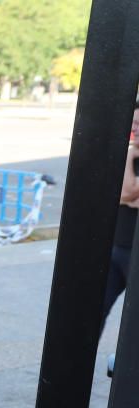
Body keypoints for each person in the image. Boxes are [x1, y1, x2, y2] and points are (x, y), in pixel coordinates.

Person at [102, 100, 139, 329]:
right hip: (116, 247)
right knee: (95, 311)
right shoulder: (126, 157)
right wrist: (130, 153)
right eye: (133, 122)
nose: (135, 127)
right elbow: (125, 193)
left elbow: (124, 193)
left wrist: (125, 196)